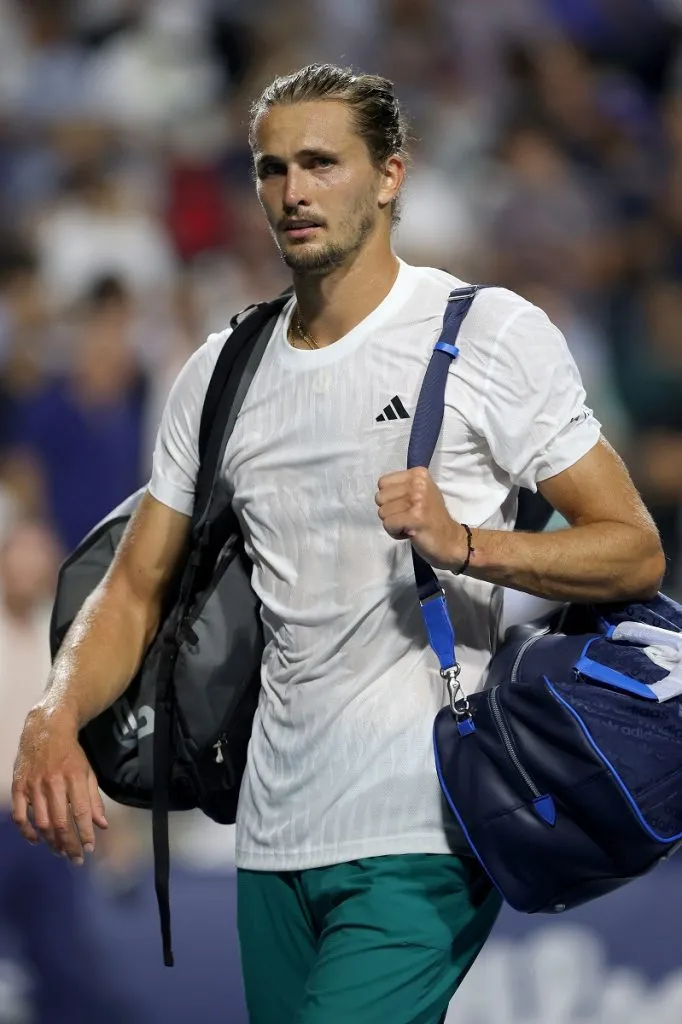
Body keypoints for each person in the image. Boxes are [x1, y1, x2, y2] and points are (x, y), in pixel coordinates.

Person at [11, 64, 665, 1024]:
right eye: (272, 170)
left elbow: (634, 550)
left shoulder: (486, 335)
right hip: (272, 834)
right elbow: (137, 585)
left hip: (424, 828)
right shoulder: (222, 366)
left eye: (322, 163)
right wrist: (53, 715)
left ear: (391, 175)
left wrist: (468, 544)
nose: (294, 192)